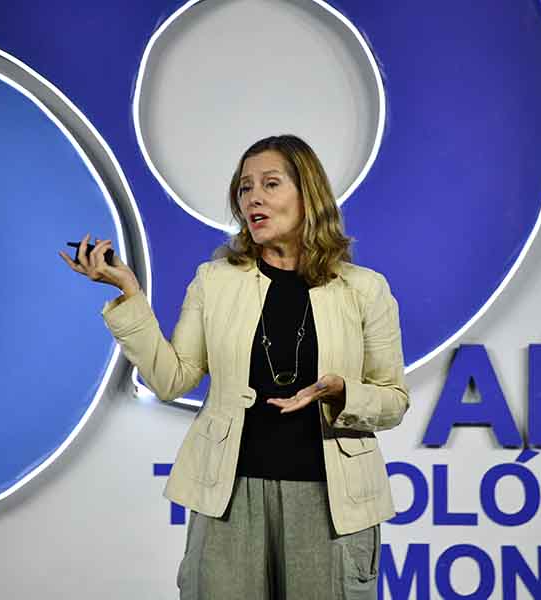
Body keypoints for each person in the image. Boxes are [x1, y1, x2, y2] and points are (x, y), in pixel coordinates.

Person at [59, 134, 409, 599]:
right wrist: (130, 296)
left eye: (270, 183)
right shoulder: (215, 281)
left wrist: (343, 391)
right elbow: (170, 378)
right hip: (228, 497)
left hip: (331, 502)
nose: (253, 198)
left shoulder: (365, 289)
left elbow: (393, 400)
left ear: (308, 195)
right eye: (245, 188)